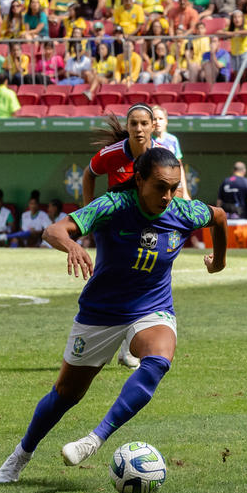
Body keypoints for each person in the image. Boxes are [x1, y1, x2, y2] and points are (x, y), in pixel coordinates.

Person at [0, 147, 228, 483]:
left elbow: (218, 216)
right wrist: (73, 245)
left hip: (151, 307)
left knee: (159, 360)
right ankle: (21, 454)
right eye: (160, 186)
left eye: (173, 188)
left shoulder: (184, 211)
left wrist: (218, 262)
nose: (167, 196)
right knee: (65, 395)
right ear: (139, 180)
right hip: (100, 312)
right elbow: (53, 231)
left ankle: (94, 440)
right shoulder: (113, 206)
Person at [82, 104, 185, 369]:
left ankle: (129, 345)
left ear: (153, 126)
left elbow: (175, 186)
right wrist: (90, 213)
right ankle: (98, 336)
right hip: (115, 224)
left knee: (143, 276)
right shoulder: (113, 154)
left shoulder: (162, 155)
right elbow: (89, 174)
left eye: (143, 124)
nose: (138, 129)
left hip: (147, 222)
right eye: (133, 124)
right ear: (127, 127)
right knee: (113, 277)